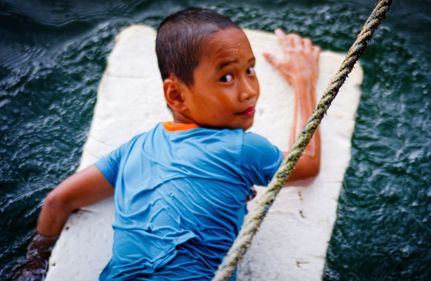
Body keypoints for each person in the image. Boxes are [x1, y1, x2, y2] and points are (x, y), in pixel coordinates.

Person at [17, 7, 321, 281]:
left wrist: (35, 264)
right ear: (176, 95)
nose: (248, 91)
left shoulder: (133, 149)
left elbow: (58, 201)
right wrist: (304, 81)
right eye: (227, 77)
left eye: (250, 71)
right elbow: (307, 162)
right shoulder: (242, 148)